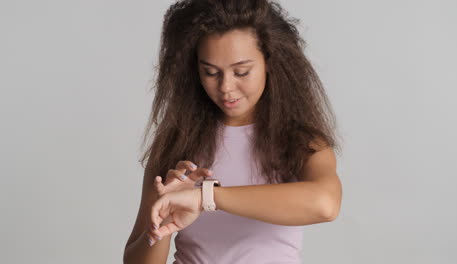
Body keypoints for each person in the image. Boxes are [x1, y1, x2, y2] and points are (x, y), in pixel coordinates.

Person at [123, 0, 343, 263]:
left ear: (269, 62)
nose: (226, 87)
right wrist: (163, 224)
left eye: (242, 72)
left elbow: (325, 205)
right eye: (211, 72)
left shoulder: (299, 141)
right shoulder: (177, 142)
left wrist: (206, 197)